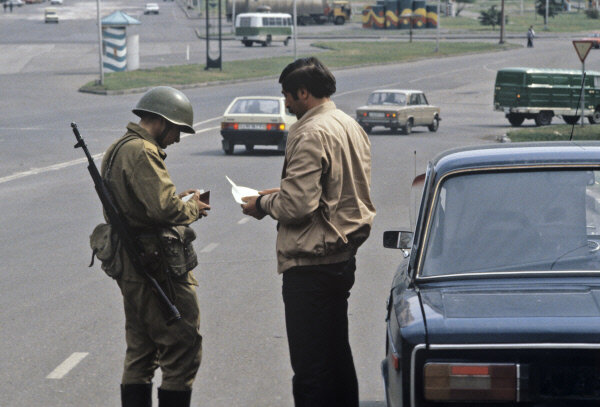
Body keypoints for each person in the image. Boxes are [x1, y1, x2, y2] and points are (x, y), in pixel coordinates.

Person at [241, 57, 376, 407]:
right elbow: (333, 190)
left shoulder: (310, 131)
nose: (285, 103)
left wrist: (261, 205)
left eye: (287, 95)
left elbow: (297, 207)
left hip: (310, 264)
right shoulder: (348, 124)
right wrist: (279, 193)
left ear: (303, 92)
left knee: (311, 368)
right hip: (342, 257)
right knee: (337, 357)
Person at [101, 86, 210, 407]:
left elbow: (136, 206)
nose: (177, 139)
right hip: (155, 265)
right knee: (182, 347)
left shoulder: (119, 147)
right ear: (161, 122)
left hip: (132, 263)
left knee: (141, 350)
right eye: (177, 130)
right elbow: (164, 211)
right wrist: (193, 207)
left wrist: (175, 200)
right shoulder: (143, 151)